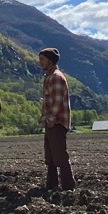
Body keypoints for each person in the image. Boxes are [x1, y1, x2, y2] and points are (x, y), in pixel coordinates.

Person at [38, 47, 75, 191]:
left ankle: (68, 187)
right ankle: (52, 185)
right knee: (51, 157)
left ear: (50, 60)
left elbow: (57, 101)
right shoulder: (50, 76)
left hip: (57, 122)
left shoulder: (56, 77)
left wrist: (50, 119)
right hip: (52, 122)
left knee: (59, 156)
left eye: (42, 59)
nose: (40, 62)